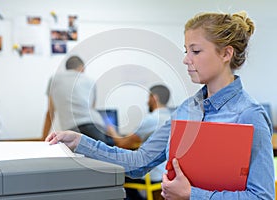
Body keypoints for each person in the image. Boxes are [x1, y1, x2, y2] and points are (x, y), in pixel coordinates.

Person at [46, 11, 275, 200]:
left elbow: (262, 196)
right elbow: (138, 162)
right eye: (187, 52)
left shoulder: (249, 115)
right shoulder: (187, 110)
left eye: (195, 51)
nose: (186, 59)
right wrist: (80, 142)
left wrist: (191, 195)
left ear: (226, 53)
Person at [107, 84, 171, 200]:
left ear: (154, 98)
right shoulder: (173, 117)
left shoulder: (151, 119)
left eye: (148, 97)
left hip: (153, 175)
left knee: (116, 176)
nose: (147, 102)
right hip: (167, 173)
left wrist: (111, 130)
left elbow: (122, 144)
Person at [42, 55, 114, 146]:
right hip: (96, 127)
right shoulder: (90, 81)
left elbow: (50, 113)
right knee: (102, 157)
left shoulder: (54, 79)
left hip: (72, 130)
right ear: (82, 68)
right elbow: (92, 109)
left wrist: (43, 141)